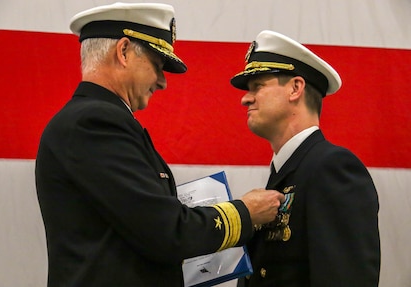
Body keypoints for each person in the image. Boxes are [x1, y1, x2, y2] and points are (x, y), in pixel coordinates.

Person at [35, 3, 285, 287]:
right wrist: (244, 212)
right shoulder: (95, 122)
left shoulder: (97, 120)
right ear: (124, 51)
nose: (163, 82)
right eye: (157, 65)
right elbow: (166, 232)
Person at [231, 30, 380, 287]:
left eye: (258, 86)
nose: (245, 98)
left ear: (295, 88)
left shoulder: (332, 168)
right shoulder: (289, 171)